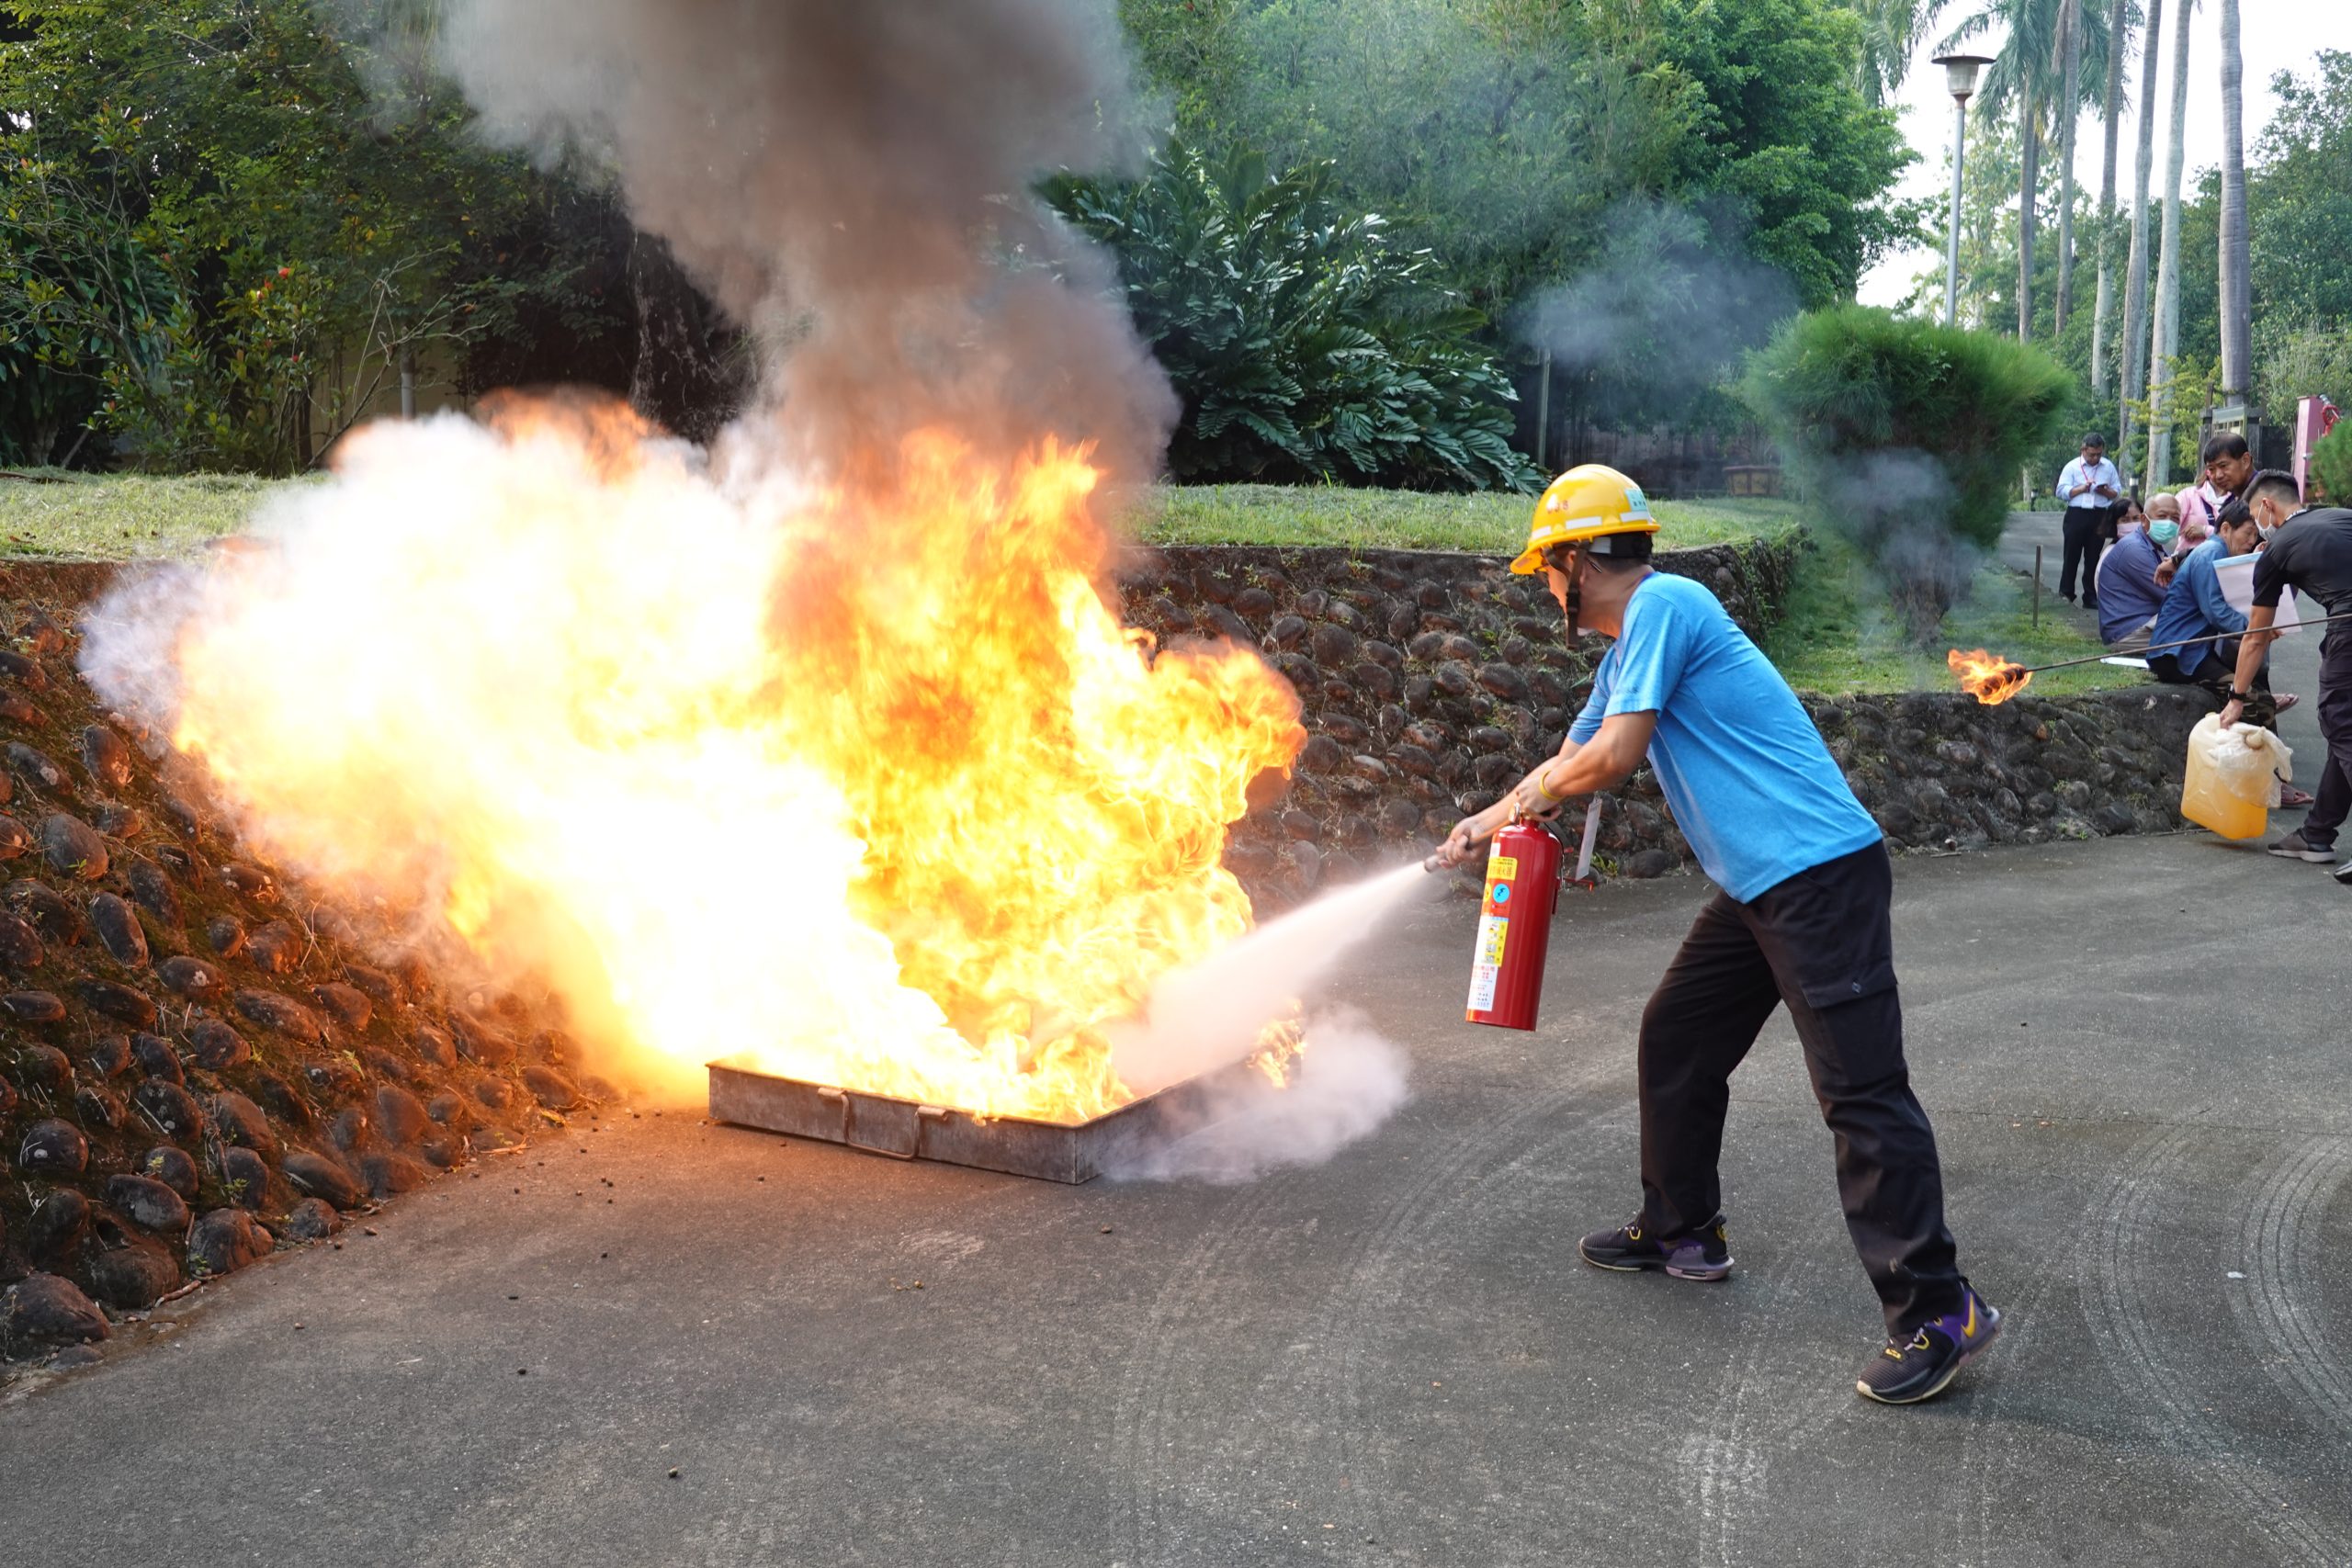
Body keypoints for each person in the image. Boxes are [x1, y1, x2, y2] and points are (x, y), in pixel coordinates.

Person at [1434, 464, 1996, 1406]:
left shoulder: (1667, 605)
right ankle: (1682, 1227)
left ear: (1582, 559)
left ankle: (1938, 1311)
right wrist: (1482, 822)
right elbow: (1570, 757)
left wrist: (1519, 805)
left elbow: (1608, 761)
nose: (1544, 586)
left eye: (1547, 569)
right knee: (1677, 1038)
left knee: (1861, 1095)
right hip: (1757, 889)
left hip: (1817, 876)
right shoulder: (1624, 654)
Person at [2220, 469, 2352, 881]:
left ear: (2266, 507)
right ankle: (2315, 834)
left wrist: (2237, 697)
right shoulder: (2341, 517)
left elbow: (2255, 639)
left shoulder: (2276, 550)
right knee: (2344, 734)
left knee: (2343, 725)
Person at [2097, 505, 2178, 653]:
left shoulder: (2154, 547)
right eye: (2162, 516)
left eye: (2175, 518)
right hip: (2129, 632)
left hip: (2142, 623)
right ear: (2144, 519)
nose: (2168, 523)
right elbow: (2171, 594)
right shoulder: (2132, 549)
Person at [2054, 434, 2124, 609]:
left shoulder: (2108, 467)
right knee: (2071, 555)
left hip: (2099, 515)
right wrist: (2081, 488)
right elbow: (2061, 491)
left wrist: (2105, 492)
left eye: (2099, 454)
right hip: (2076, 514)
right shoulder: (2072, 467)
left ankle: (2090, 595)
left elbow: (2117, 491)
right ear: (2083, 450)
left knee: (2093, 557)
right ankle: (2066, 592)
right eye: (2092, 454)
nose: (2095, 458)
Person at [2179, 431, 2255, 536]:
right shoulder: (2188, 495)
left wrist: (2206, 531)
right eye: (2212, 469)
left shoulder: (2259, 493)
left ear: (2245, 461)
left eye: (2223, 466)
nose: (2218, 475)